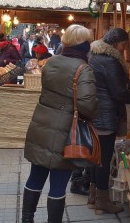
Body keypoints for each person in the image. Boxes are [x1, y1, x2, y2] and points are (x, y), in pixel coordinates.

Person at [22, 24, 98, 223]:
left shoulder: (51, 62)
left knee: (35, 176)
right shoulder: (83, 68)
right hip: (65, 132)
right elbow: (86, 105)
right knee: (58, 183)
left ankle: (27, 219)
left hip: (41, 124)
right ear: (83, 44)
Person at [87, 28, 130, 214]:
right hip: (105, 116)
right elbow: (118, 91)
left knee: (95, 157)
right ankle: (102, 201)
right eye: (123, 45)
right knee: (104, 159)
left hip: (94, 113)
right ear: (115, 44)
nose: (124, 49)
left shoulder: (95, 55)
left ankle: (93, 197)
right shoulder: (110, 61)